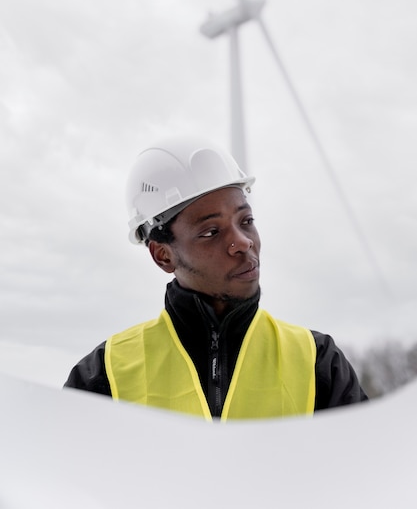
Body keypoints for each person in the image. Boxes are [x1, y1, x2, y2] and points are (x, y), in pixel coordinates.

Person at [65, 135, 368, 420]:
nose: (243, 242)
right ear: (163, 255)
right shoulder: (105, 374)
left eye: (246, 221)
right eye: (211, 232)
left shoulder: (317, 362)